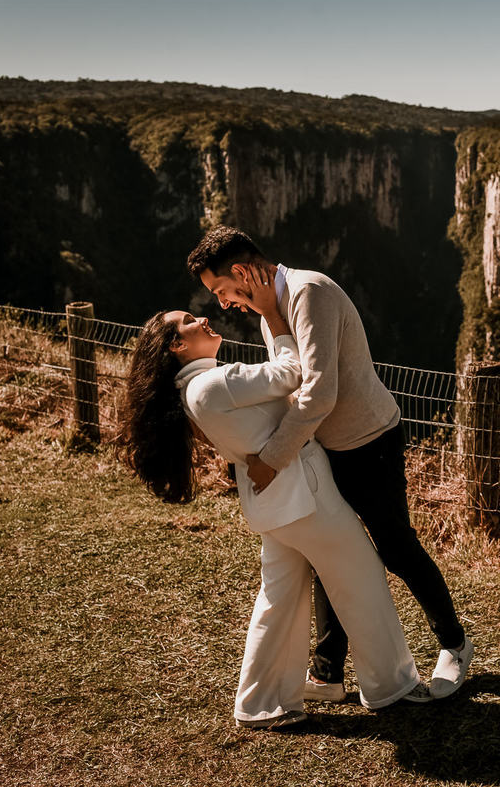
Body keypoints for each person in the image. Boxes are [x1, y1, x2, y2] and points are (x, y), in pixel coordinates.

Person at [187, 225, 473, 701]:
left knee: (396, 547)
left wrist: (273, 457)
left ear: (240, 272)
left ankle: (454, 643)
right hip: (326, 450)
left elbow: (318, 391)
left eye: (221, 289)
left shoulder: (308, 293)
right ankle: (327, 673)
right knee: (332, 556)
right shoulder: (272, 312)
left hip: (368, 442)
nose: (221, 303)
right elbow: (286, 385)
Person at [114, 308, 433, 730]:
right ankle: (391, 685)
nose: (205, 318)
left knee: (278, 600)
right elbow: (292, 372)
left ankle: (260, 702)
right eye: (191, 320)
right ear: (177, 345)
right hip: (307, 496)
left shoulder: (190, 395)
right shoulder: (215, 384)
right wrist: (278, 322)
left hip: (274, 507)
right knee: (362, 578)